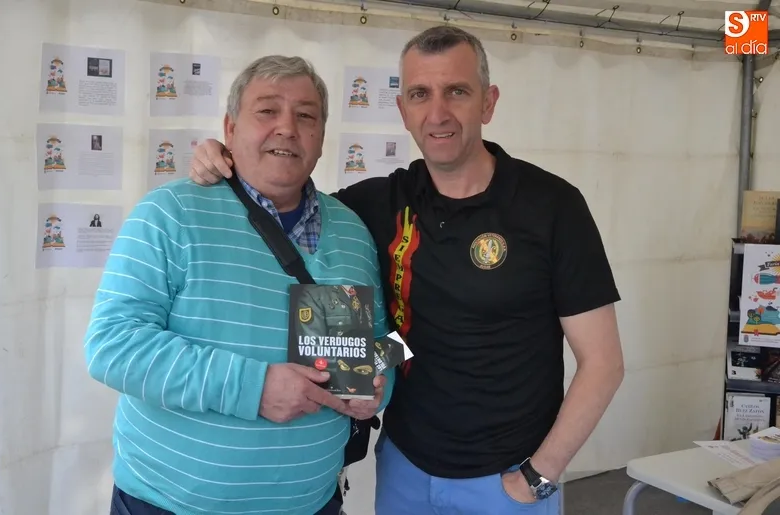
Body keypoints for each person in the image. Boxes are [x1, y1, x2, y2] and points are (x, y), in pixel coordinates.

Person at [188, 25, 625, 515]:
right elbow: (286, 202)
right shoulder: (372, 207)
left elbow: (603, 364)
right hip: (404, 468)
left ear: (488, 102)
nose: (437, 113)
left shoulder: (552, 207)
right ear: (403, 110)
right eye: (420, 94)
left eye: (456, 91)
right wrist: (225, 160)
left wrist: (537, 477)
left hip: (507, 479)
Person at [83, 55, 395, 515]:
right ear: (230, 129)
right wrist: (254, 386)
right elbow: (111, 346)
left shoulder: (351, 232)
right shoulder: (170, 214)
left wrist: (378, 385)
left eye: (306, 116)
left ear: (322, 139)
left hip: (312, 504)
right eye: (267, 110)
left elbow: (381, 340)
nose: (287, 127)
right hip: (169, 505)